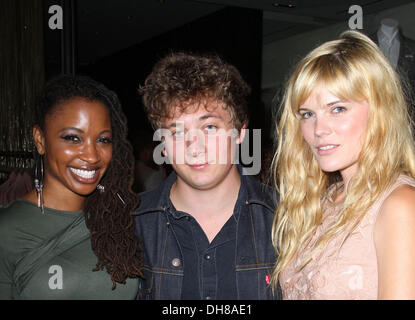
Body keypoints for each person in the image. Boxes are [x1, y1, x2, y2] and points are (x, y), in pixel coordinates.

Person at [271, 30, 415, 299]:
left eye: (337, 109)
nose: (318, 129)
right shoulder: (323, 200)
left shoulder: (399, 205)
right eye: (307, 114)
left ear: (379, 111)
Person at [135, 52, 280, 300]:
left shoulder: (286, 218)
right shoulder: (133, 224)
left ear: (240, 132)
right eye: (178, 132)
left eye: (209, 127)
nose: (195, 147)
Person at [0, 75, 143, 299]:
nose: (92, 155)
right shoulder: (7, 230)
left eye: (103, 140)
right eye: (73, 138)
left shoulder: (120, 218)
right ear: (40, 140)